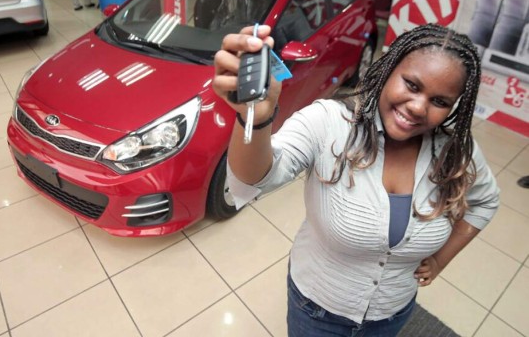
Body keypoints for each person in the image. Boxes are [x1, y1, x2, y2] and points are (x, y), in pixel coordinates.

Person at [212, 23, 500, 336]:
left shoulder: (456, 152)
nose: (418, 108)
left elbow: (486, 201)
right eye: (411, 85)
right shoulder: (329, 121)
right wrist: (255, 120)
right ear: (389, 68)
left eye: (440, 102)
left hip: (391, 314)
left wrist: (441, 260)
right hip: (316, 310)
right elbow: (254, 179)